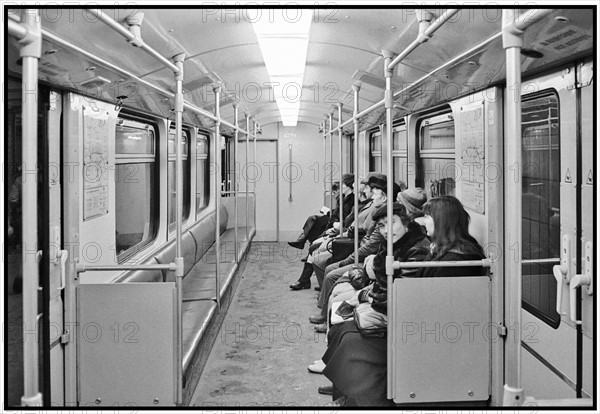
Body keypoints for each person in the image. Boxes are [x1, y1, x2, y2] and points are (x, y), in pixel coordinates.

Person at [320, 196, 486, 406]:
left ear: (443, 221)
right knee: (345, 331)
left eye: (428, 217)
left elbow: (433, 306)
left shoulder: (454, 262)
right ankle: (348, 394)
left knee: (353, 343)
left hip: (430, 335)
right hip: (418, 320)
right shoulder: (445, 252)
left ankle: (356, 401)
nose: (424, 221)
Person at [309, 176, 400, 329]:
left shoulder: (382, 216)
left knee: (331, 272)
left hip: (364, 257)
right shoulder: (374, 208)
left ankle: (325, 316)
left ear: (384, 197)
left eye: (373, 192)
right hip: (360, 250)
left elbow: (369, 244)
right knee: (321, 256)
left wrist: (350, 258)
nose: (368, 193)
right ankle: (325, 305)